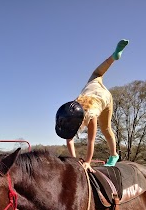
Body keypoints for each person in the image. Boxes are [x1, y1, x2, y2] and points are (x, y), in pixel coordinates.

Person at [55, 39, 129, 172]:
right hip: (92, 84)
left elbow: (91, 141)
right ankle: (113, 57)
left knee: (106, 128)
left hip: (104, 98)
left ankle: (114, 155)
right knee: (97, 72)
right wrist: (74, 160)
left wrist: (87, 162)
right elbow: (69, 139)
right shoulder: (71, 110)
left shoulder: (91, 117)